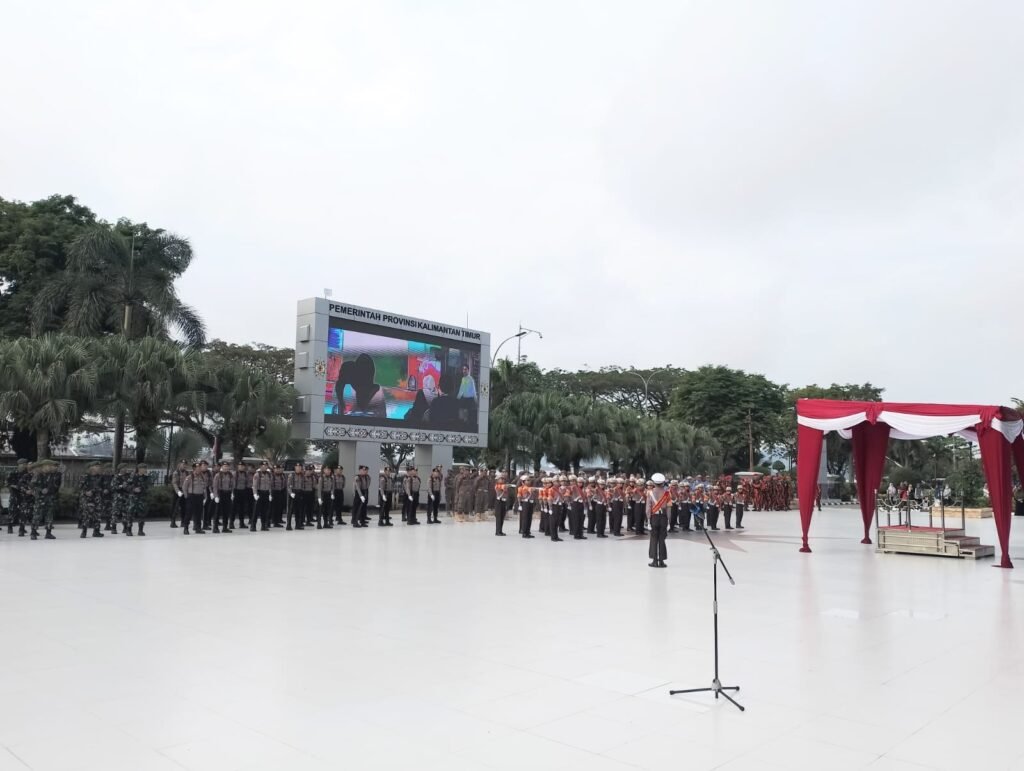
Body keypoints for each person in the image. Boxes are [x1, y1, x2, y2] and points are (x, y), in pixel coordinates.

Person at [646, 473, 670, 568]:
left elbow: (648, 508)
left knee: (653, 539)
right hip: (663, 517)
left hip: (654, 518)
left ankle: (654, 560)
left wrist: (648, 521)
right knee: (662, 539)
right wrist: (669, 521)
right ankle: (662, 561)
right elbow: (669, 508)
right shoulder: (667, 493)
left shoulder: (650, 493)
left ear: (654, 483)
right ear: (663, 482)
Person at [77, 462, 104, 538]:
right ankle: (84, 531)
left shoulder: (100, 477)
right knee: (86, 514)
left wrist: (95, 490)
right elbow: (80, 486)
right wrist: (86, 492)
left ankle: (96, 531)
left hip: (97, 497)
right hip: (86, 498)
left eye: (99, 466)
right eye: (96, 466)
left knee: (97, 514)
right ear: (91, 467)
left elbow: (102, 487)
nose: (98, 468)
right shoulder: (84, 476)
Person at [124, 464, 152, 536]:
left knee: (142, 514)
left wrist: (143, 489)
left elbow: (149, 486)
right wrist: (133, 489)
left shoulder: (147, 478)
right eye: (143, 468)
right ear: (139, 469)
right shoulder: (133, 476)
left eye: (145, 468)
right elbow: (126, 486)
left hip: (142, 498)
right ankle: (129, 530)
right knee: (130, 514)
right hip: (133, 498)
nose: (145, 470)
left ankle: (140, 530)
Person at [182, 463, 207, 535]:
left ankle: (198, 528)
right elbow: (184, 487)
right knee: (189, 513)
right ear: (194, 469)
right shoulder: (189, 477)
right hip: (192, 497)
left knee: (199, 513)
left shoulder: (202, 477)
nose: (199, 469)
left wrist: (205, 497)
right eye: (197, 468)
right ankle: (186, 528)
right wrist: (186, 496)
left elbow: (204, 488)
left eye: (199, 468)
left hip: (200, 497)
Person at [211, 462, 235, 533]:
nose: (226, 468)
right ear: (222, 467)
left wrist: (232, 493)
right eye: (224, 466)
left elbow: (233, 485)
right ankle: (215, 527)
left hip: (227, 494)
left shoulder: (231, 475)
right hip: (220, 493)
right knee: (217, 512)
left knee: (226, 512)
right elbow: (214, 486)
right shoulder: (218, 475)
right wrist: (216, 496)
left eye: (227, 466)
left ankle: (225, 527)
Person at [251, 461, 273, 531]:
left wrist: (270, 494)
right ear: (260, 467)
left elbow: (270, 485)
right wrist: (255, 494)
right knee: (256, 511)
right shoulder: (257, 474)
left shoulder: (269, 474)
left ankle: (263, 525)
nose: (264, 467)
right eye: (263, 466)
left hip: (266, 493)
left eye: (266, 466)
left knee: (265, 511)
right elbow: (254, 485)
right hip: (259, 493)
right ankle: (253, 526)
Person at [169, 460, 187, 528]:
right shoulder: (176, 472)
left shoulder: (187, 473)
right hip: (177, 492)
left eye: (185, 464)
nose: (184, 466)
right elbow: (174, 483)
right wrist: (178, 491)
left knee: (184, 507)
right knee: (175, 507)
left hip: (184, 491)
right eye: (182, 464)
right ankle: (172, 522)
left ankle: (183, 522)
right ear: (179, 464)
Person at [494, 472, 509, 536]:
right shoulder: (497, 486)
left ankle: (500, 530)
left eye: (503, 479)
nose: (503, 480)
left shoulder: (503, 485)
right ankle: (497, 531)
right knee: (499, 517)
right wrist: (506, 486)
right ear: (497, 480)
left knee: (502, 516)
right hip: (499, 502)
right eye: (501, 479)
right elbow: (502, 487)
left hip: (503, 501)